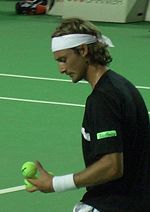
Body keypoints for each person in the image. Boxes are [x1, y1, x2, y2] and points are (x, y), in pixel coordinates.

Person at [27, 18, 150, 212]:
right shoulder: (122, 85)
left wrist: (55, 183)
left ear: (83, 51)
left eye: (63, 59)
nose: (61, 69)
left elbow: (112, 167)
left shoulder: (102, 100)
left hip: (113, 204)